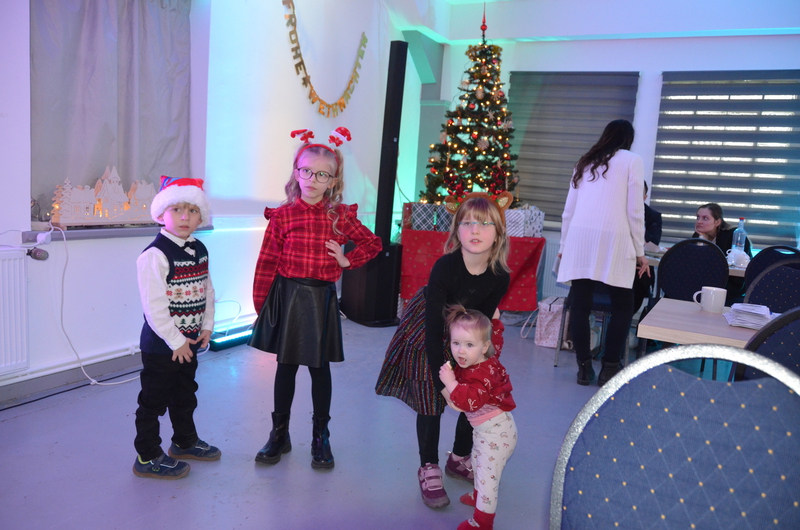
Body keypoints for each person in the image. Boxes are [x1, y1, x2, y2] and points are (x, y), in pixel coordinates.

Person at [249, 128, 381, 470]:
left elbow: (373, 243)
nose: (312, 179)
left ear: (333, 181)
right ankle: (279, 434)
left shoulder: (340, 216)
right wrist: (263, 308)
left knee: (319, 369)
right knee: (285, 367)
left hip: (320, 300)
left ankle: (321, 437)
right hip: (288, 298)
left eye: (322, 174)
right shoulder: (282, 216)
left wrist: (347, 260)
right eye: (306, 171)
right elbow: (267, 262)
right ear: (296, 172)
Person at [375, 191, 512, 509]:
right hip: (429, 329)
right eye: (467, 223)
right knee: (431, 399)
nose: (475, 230)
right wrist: (443, 384)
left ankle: (459, 457)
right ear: (456, 231)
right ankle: (428, 466)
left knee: (474, 390)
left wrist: (475, 363)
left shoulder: (500, 276)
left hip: (468, 332)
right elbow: (434, 330)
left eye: (485, 224)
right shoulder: (445, 267)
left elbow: (481, 322)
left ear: (498, 234)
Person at [133, 176, 220, 479]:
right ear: (161, 214)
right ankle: (147, 456)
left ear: (201, 216)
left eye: (192, 210)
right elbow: (154, 308)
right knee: (153, 401)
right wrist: (176, 341)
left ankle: (184, 441)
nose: (185, 217)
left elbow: (207, 290)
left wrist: (206, 326)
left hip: (190, 342)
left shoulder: (200, 249)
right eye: (177, 209)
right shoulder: (154, 256)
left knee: (185, 395)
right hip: (163, 347)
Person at [557, 119, 649, 387]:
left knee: (580, 304)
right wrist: (640, 251)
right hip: (615, 239)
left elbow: (568, 210)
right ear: (628, 139)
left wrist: (563, 246)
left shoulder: (584, 162)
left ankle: (584, 368)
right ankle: (609, 368)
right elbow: (635, 211)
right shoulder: (632, 160)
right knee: (623, 306)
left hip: (580, 238)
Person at [438, 305, 517, 530]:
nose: (461, 351)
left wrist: (450, 382)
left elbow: (467, 402)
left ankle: (482, 522)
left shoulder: (481, 375)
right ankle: (477, 494)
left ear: (484, 347)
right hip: (491, 431)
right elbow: (497, 343)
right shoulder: (485, 358)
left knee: (487, 478)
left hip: (495, 436)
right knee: (480, 466)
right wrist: (496, 323)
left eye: (469, 345)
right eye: (456, 343)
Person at [692, 202, 752, 305]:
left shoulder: (732, 235)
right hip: (706, 280)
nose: (699, 222)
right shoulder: (698, 235)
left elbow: (720, 262)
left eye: (705, 218)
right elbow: (694, 261)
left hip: (730, 283)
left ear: (717, 222)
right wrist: (702, 240)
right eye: (698, 217)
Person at [632, 181, 662, 313]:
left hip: (638, 267)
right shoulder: (613, 212)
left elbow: (653, 243)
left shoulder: (653, 216)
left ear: (645, 197)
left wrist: (638, 224)